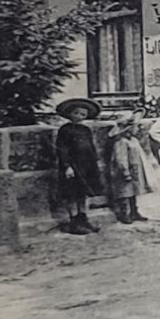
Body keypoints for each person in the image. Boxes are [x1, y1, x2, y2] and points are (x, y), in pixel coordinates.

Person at [54, 97, 105, 235]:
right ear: (70, 114)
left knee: (83, 193)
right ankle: (74, 221)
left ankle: (83, 218)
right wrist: (67, 166)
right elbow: (62, 149)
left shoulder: (86, 130)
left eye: (83, 114)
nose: (79, 116)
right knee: (72, 193)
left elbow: (91, 147)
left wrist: (95, 162)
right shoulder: (65, 130)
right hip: (73, 166)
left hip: (86, 166)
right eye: (76, 113)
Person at [107, 109, 152, 225]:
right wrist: (125, 171)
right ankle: (124, 213)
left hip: (135, 169)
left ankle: (134, 211)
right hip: (125, 171)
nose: (137, 129)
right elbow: (120, 158)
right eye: (135, 127)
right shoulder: (121, 142)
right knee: (124, 192)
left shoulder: (133, 140)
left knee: (133, 191)